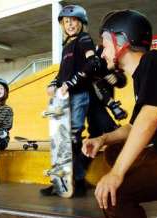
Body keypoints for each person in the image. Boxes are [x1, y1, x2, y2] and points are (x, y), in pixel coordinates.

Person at [82, 9, 157, 218]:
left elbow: (150, 117)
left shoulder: (154, 60)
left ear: (121, 41)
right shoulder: (144, 74)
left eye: (105, 44)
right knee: (113, 150)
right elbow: (133, 125)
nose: (102, 51)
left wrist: (116, 175)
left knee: (115, 196)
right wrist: (102, 138)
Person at [40, 5, 125, 196]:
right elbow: (63, 73)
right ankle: (65, 181)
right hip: (67, 96)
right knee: (62, 140)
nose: (70, 24)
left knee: (73, 136)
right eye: (66, 21)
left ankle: (76, 181)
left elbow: (92, 63)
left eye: (74, 20)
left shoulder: (84, 39)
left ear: (82, 23)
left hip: (81, 95)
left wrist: (70, 83)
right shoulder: (67, 47)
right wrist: (54, 83)